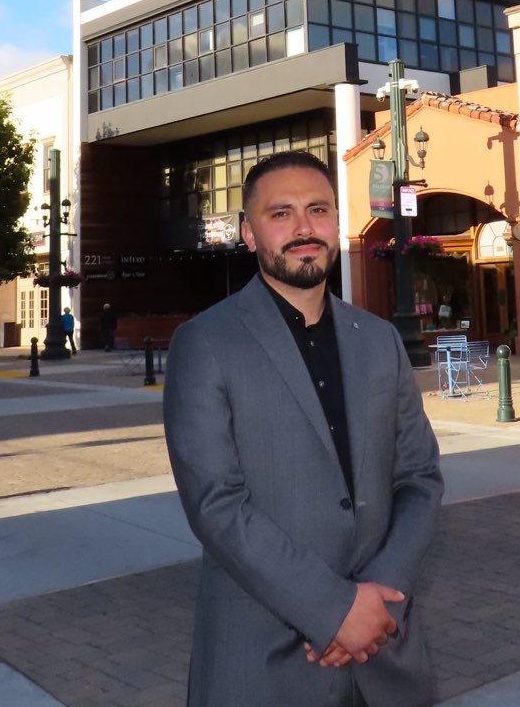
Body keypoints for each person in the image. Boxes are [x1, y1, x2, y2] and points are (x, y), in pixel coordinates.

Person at [164, 151, 443, 707]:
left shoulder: (379, 340)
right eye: (280, 213)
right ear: (248, 233)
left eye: (317, 209)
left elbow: (419, 479)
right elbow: (216, 504)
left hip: (386, 658)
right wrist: (333, 610)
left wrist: (379, 602)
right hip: (263, 661)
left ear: (336, 221)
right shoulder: (205, 343)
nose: (303, 228)